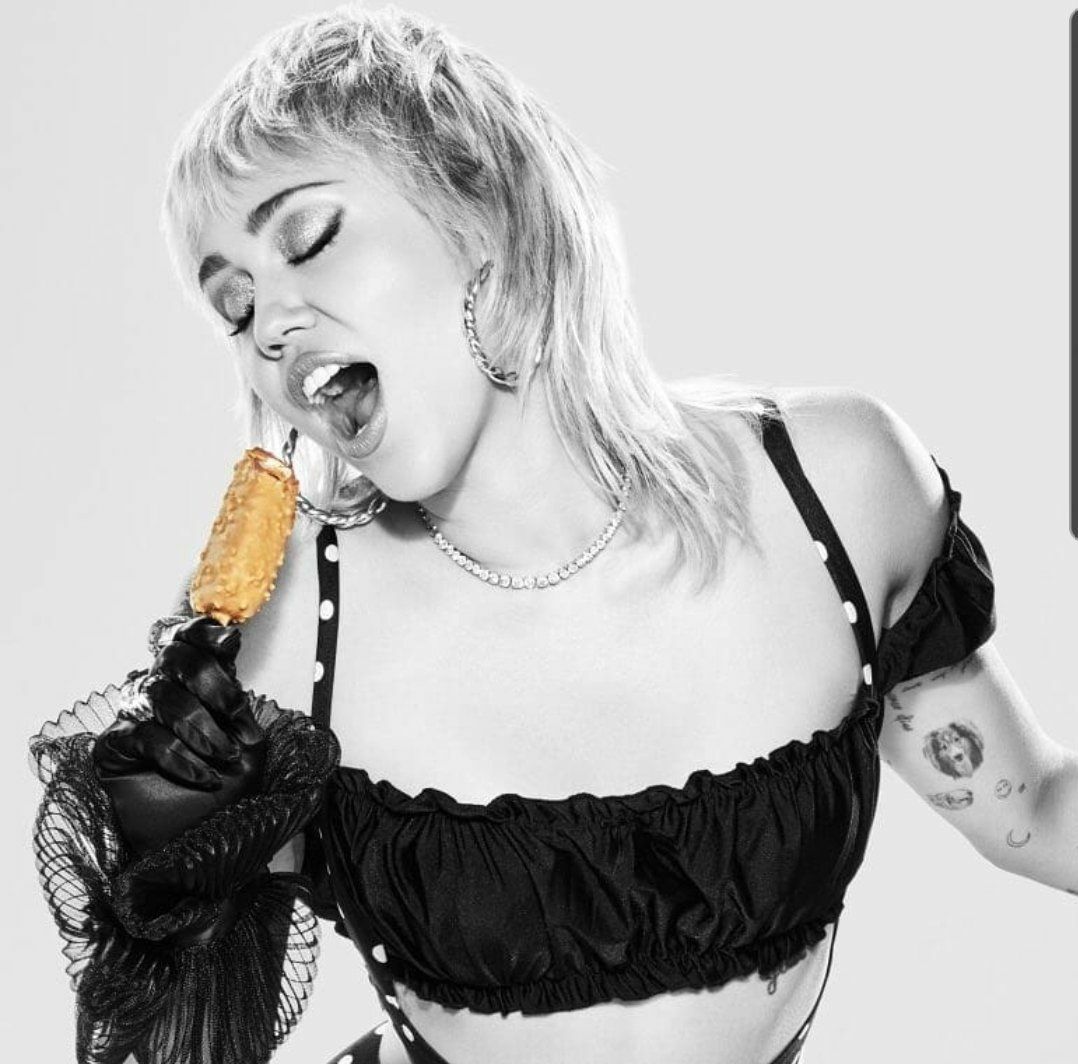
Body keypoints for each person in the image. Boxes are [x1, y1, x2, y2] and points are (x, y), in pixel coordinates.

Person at [27, 5, 1076, 1064]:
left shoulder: (830, 495)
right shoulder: (289, 621)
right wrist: (166, 884)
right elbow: (179, 1045)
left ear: (478, 201)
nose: (272, 326)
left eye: (308, 240)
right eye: (235, 306)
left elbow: (1032, 809)